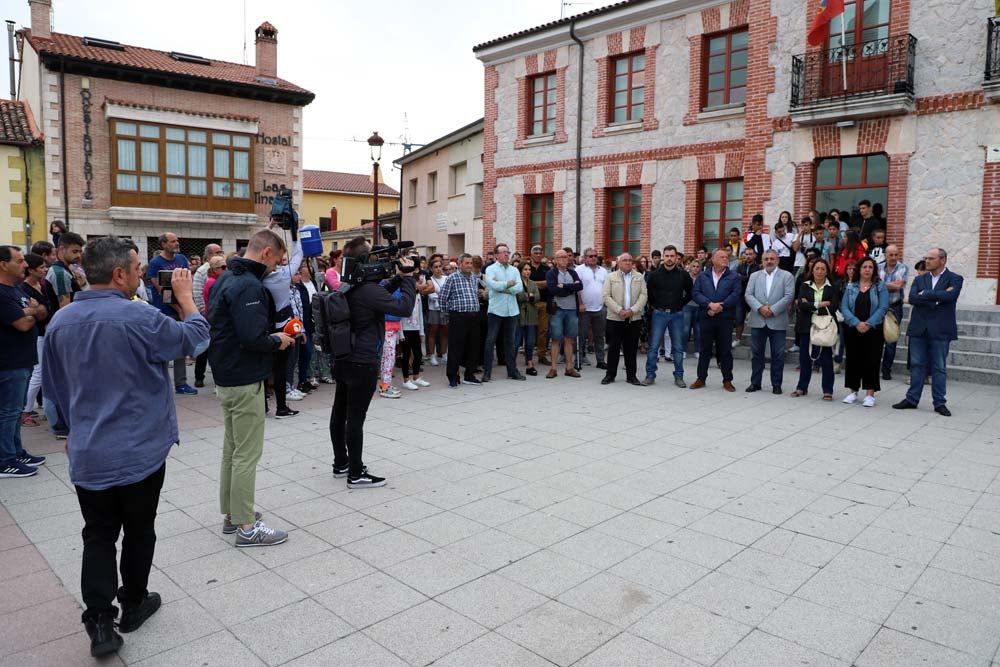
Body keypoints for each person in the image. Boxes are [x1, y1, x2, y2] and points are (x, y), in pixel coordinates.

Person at [42, 236, 210, 656]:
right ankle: (133, 601)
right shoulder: (141, 317)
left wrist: (66, 430)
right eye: (136, 268)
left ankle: (100, 620)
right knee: (139, 529)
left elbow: (54, 388)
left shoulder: (61, 322)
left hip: (90, 452)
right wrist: (188, 299)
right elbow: (195, 339)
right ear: (119, 274)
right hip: (140, 451)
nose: (140, 275)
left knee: (98, 534)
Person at [208, 229, 296, 546]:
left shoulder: (226, 278)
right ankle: (246, 527)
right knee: (246, 454)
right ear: (266, 253)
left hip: (227, 376)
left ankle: (233, 514)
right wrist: (279, 340)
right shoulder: (249, 285)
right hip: (244, 379)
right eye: (278, 261)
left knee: (232, 450)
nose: (277, 268)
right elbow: (252, 338)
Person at [330, 236, 416, 487]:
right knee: (356, 417)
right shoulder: (367, 289)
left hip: (345, 357)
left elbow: (378, 295)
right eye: (374, 255)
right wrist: (409, 279)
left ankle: (341, 463)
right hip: (363, 360)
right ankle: (355, 474)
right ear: (366, 259)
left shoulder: (350, 284)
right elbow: (403, 308)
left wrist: (398, 279)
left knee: (340, 412)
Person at [894, 248, 963, 416]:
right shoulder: (920, 279)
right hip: (919, 327)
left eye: (931, 258)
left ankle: (939, 403)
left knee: (939, 367)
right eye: (926, 258)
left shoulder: (955, 278)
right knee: (917, 365)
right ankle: (912, 399)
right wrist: (937, 298)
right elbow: (912, 298)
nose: (927, 261)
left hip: (940, 329)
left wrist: (927, 295)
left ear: (943, 260)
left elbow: (951, 297)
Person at [0, 246, 47, 477]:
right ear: (3, 264)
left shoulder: (16, 290)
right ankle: (4, 460)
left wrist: (31, 310)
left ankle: (16, 452)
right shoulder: (1, 292)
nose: (25, 265)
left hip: (23, 360)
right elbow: (24, 324)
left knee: (14, 410)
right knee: (7, 412)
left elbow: (41, 312)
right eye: (19, 261)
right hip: (9, 363)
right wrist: (30, 312)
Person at [263, 221, 305, 417]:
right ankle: (281, 407)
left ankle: (262, 406)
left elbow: (256, 246)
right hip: (283, 327)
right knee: (281, 369)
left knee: (263, 369)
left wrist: (269, 227)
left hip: (264, 327)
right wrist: (294, 233)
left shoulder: (258, 276)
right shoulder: (283, 276)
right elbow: (298, 254)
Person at [146, 232, 196, 395]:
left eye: (177, 241)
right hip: (165, 311)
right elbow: (161, 291)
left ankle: (181, 384)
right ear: (163, 244)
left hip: (182, 307)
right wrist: (180, 308)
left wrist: (186, 307)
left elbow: (188, 283)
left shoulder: (181, 260)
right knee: (163, 347)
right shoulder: (155, 263)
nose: (176, 243)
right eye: (173, 241)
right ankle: (158, 384)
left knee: (180, 346)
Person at [840, 257, 889, 407]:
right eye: (864, 267)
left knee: (872, 360)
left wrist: (868, 323)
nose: (867, 270)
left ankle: (870, 394)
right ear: (859, 270)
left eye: (870, 267)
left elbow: (883, 307)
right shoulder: (851, 286)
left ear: (874, 270)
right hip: (853, 328)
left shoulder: (880, 286)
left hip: (873, 329)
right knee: (853, 359)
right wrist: (856, 323)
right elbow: (844, 307)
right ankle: (852, 391)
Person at [690, 249, 742, 391]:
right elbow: (695, 293)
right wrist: (709, 305)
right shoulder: (703, 276)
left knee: (725, 349)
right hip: (706, 316)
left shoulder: (733, 276)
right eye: (721, 257)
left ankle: (727, 380)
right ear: (713, 259)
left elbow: (735, 294)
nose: (725, 259)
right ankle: (701, 378)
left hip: (725, 318)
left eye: (726, 257)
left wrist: (720, 306)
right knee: (704, 349)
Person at [744, 250, 795, 393]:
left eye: (772, 258)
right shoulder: (754, 276)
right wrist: (760, 308)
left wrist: (773, 309)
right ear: (762, 260)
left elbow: (789, 296)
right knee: (756, 354)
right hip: (758, 319)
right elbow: (748, 294)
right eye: (766, 259)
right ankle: (755, 382)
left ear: (778, 260)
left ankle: (776, 384)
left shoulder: (787, 276)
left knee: (778, 354)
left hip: (777, 319)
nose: (769, 261)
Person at [642, 245, 692, 387]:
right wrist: (656, 305)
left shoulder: (683, 275)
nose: (670, 259)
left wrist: (680, 304)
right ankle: (650, 375)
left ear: (676, 257)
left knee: (678, 347)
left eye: (672, 256)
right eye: (667, 256)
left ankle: (679, 376)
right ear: (663, 257)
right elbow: (649, 293)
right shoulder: (655, 275)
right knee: (654, 346)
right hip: (659, 314)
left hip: (677, 314)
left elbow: (690, 292)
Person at [791, 259, 839, 400]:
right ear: (812, 270)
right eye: (816, 268)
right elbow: (801, 304)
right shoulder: (805, 285)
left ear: (826, 271)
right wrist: (819, 304)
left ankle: (828, 391)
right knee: (805, 358)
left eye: (822, 269)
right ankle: (802, 387)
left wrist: (811, 305)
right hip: (806, 326)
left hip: (824, 327)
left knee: (826, 360)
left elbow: (833, 306)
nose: (819, 271)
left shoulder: (833, 287)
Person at [601, 253, 647, 385]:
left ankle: (631, 376)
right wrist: (619, 310)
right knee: (613, 347)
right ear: (618, 262)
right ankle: (610, 375)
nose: (628, 262)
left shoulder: (639, 277)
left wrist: (632, 310)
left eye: (630, 260)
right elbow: (606, 296)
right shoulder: (610, 277)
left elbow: (644, 295)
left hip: (633, 318)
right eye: (625, 260)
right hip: (615, 318)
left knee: (631, 348)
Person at [437, 253, 481, 388]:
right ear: (460, 264)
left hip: (474, 316)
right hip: (458, 316)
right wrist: (448, 314)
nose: (469, 266)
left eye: (470, 263)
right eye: (466, 263)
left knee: (473, 347)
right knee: (456, 348)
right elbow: (442, 298)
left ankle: (469, 375)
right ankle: (453, 377)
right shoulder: (452, 278)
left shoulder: (474, 278)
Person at [483, 243, 525, 381]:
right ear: (496, 255)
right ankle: (487, 372)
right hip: (496, 310)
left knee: (510, 342)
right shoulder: (490, 269)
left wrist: (503, 287)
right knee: (491, 341)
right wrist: (508, 284)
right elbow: (492, 285)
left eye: (508, 252)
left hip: (511, 310)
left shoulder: (514, 270)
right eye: (503, 252)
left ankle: (512, 371)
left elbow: (519, 288)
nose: (507, 254)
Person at [19, 254, 51, 428]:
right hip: (36, 335)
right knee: (37, 374)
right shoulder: (24, 289)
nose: (45, 270)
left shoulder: (41, 285)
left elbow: (43, 310)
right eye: (41, 267)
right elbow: (30, 313)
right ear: (31, 270)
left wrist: (38, 310)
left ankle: (45, 408)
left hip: (45, 332)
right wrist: (36, 311)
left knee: (44, 374)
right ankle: (25, 412)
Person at [545, 249, 583, 379]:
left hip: (572, 309)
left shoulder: (573, 272)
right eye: (560, 257)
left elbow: (580, 286)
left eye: (565, 257)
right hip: (558, 310)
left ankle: (569, 367)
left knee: (569, 339)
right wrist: (571, 287)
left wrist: (564, 286)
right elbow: (554, 290)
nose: (563, 259)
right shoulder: (551, 273)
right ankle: (553, 368)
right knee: (555, 338)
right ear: (555, 260)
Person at [192, 243, 224, 388]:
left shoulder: (222, 271)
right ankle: (199, 376)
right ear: (209, 255)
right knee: (203, 348)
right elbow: (198, 295)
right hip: (207, 316)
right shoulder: (201, 272)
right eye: (217, 252)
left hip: (217, 317)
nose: (220, 253)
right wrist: (204, 314)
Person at [576, 247, 608, 370]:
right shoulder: (579, 270)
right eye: (591, 256)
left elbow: (606, 288)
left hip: (600, 308)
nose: (594, 258)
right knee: (581, 335)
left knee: (600, 336)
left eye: (595, 256)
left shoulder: (603, 271)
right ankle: (579, 360)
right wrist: (580, 304)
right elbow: (577, 289)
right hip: (585, 308)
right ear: (585, 258)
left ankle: (600, 360)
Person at [879, 245, 908, 381]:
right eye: (891, 255)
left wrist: (883, 285)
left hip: (895, 307)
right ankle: (875, 367)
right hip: (879, 307)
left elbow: (898, 286)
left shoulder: (903, 268)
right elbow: (875, 286)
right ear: (885, 255)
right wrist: (891, 285)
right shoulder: (877, 267)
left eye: (896, 255)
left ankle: (886, 369)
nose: (894, 258)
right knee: (877, 338)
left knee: (891, 339)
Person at [399, 268, 429, 391]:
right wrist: (400, 332)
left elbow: (420, 314)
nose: (419, 284)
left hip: (415, 328)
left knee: (418, 354)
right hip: (405, 329)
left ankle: (416, 377)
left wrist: (421, 331)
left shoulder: (417, 296)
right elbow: (399, 315)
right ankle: (406, 379)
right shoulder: (403, 295)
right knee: (405, 355)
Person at [515, 262, 541, 376]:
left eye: (529, 269)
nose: (528, 271)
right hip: (519, 315)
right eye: (525, 269)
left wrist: (530, 296)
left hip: (531, 315)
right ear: (520, 271)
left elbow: (537, 296)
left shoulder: (532, 283)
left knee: (530, 341)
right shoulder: (517, 283)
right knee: (516, 341)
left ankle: (530, 364)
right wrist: (529, 296)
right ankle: (512, 365)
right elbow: (519, 296)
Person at [527, 245, 552, 364]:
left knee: (543, 330)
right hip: (530, 303)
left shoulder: (546, 268)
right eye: (535, 252)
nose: (538, 255)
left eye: (540, 253)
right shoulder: (527, 268)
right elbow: (524, 283)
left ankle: (541, 355)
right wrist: (540, 284)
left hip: (543, 302)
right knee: (530, 331)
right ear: (531, 254)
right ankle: (529, 357)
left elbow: (549, 283)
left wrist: (532, 284)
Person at [426, 258, 449, 365]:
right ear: (431, 269)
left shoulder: (447, 278)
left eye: (440, 266)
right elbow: (431, 296)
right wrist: (441, 294)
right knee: (432, 332)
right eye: (435, 267)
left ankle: (444, 354)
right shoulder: (429, 279)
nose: (438, 269)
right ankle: (432, 355)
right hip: (433, 309)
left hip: (444, 308)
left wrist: (439, 293)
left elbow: (449, 294)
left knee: (445, 332)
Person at [682, 258, 702, 361]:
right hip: (687, 305)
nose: (695, 268)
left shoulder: (702, 278)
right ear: (690, 267)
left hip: (699, 306)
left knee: (698, 329)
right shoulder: (686, 277)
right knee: (685, 329)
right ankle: (683, 350)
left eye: (697, 266)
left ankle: (697, 350)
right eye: (693, 266)